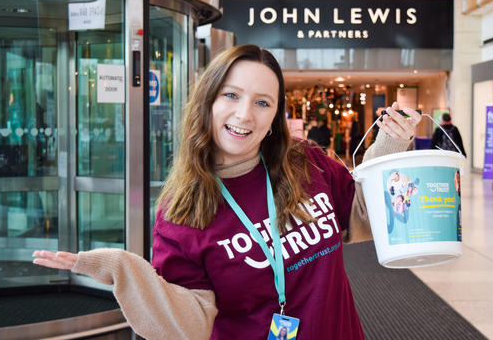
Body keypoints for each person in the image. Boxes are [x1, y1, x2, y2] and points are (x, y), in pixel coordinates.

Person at [32, 44, 421, 339]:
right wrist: (124, 270)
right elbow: (191, 321)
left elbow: (361, 217)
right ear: (208, 101)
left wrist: (386, 148)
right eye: (231, 95)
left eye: (262, 102)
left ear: (274, 117)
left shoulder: (305, 162)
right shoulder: (182, 212)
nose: (244, 115)